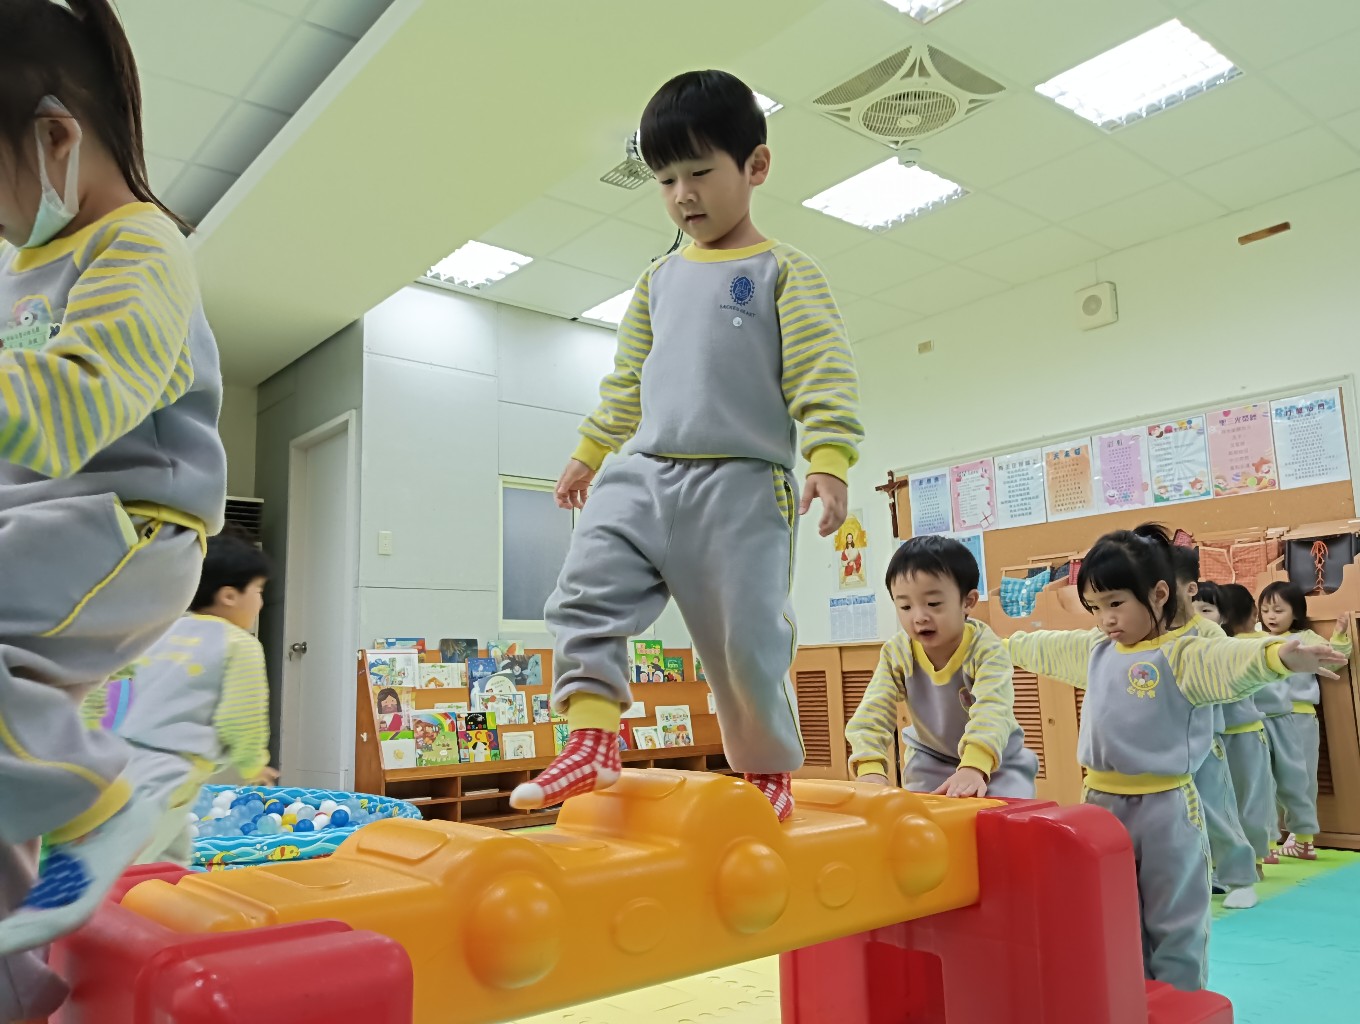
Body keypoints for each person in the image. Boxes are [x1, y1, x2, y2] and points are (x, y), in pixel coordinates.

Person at [511, 70, 862, 821]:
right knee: (583, 590)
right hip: (645, 471)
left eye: (699, 173)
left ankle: (765, 770)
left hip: (742, 482)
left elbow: (822, 371)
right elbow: (628, 381)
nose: (682, 195)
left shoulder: (782, 271)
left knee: (746, 642)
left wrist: (829, 461)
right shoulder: (657, 281)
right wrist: (590, 451)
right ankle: (593, 737)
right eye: (666, 180)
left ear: (755, 166)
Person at [0, 0, 226, 1009]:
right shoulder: (26, 266)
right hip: (41, 526)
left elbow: (70, 406)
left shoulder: (140, 249)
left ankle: (104, 795)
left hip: (126, 528)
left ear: (55, 137)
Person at [1006, 527, 1344, 991]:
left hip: (1166, 807)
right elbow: (1041, 647)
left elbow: (1229, 660)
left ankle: (1182, 1004)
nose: (1106, 619)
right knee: (1111, 918)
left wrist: (1277, 657)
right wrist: (990, 647)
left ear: (1159, 594)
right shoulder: (1097, 651)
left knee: (1175, 921)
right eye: (1095, 608)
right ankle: (1133, 1001)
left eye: (1116, 604)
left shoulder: (1182, 653)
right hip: (1101, 805)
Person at [81, 529, 276, 867]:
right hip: (175, 770)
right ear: (229, 595)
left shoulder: (162, 632)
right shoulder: (239, 644)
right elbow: (239, 716)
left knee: (171, 845)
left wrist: (88, 728)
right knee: (125, 857)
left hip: (126, 757)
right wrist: (252, 762)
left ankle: (170, 884)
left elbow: (98, 673)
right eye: (258, 591)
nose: (260, 602)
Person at [846, 535, 1037, 798]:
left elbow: (992, 710)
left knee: (1007, 814)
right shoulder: (897, 652)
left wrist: (973, 766)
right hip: (931, 759)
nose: (919, 617)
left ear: (968, 601)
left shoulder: (986, 649)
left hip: (996, 758)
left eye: (933, 604)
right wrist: (870, 767)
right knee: (922, 816)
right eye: (905, 606)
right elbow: (872, 713)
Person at [1168, 551, 1257, 909]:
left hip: (1204, 740)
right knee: (1175, 817)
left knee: (1216, 810)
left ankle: (1240, 878)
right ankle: (1194, 876)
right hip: (1164, 744)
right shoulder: (1150, 632)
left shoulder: (1207, 632)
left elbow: (1232, 674)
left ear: (1188, 589)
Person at [1256, 580, 1352, 860]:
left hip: (1299, 716)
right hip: (1262, 718)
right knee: (1262, 778)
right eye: (1265, 610)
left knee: (1302, 778)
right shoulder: (1255, 637)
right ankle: (1268, 839)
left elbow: (1333, 660)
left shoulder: (1306, 638)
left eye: (1278, 610)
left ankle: (1301, 838)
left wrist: (1340, 635)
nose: (1271, 616)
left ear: (1296, 612)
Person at [1205, 583, 1277, 870]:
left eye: (1206, 610)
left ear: (1223, 615)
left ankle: (1255, 859)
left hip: (1245, 734)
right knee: (1219, 803)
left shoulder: (1237, 647)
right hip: (1213, 739)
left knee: (1251, 800)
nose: (1199, 617)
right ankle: (1221, 861)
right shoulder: (1194, 650)